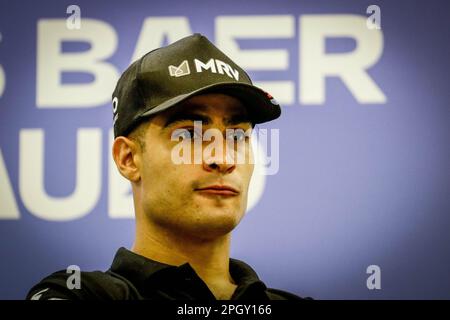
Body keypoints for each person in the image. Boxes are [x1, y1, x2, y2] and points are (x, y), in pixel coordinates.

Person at [26, 34, 306, 300]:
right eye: (189, 135)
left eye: (237, 136)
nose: (223, 158)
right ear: (128, 159)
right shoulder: (77, 294)